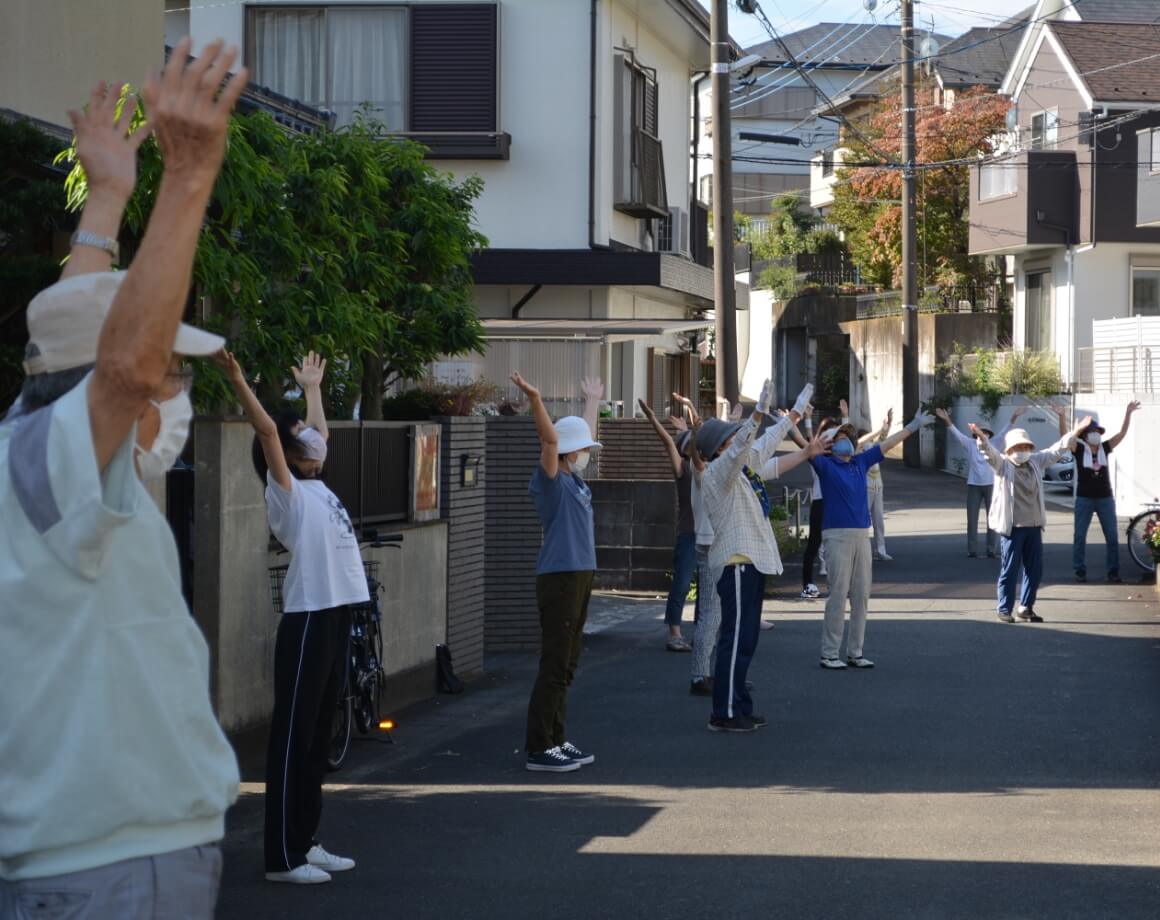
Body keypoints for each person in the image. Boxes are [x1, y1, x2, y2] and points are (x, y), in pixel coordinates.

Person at [0, 40, 245, 917]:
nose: (172, 387)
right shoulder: (63, 462)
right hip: (112, 866)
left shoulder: (27, 454)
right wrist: (187, 176)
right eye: (170, 373)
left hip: (74, 858)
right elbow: (116, 367)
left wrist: (105, 202)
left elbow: (71, 339)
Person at [217, 350, 364, 884]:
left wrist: (313, 390)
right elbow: (268, 433)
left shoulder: (318, 485)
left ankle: (307, 841)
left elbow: (319, 433)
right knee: (293, 739)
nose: (312, 437)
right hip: (306, 621)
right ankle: (282, 857)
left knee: (319, 740)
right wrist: (238, 378)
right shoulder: (286, 492)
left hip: (335, 614)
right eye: (300, 433)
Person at [701, 381, 819, 732]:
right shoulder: (716, 473)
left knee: (746, 639)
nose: (741, 440)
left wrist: (794, 414)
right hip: (736, 563)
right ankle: (723, 712)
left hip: (750, 563)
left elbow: (764, 446)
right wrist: (757, 414)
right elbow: (743, 448)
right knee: (735, 638)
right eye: (732, 437)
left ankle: (740, 706)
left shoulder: (742, 472)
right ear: (719, 446)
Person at [512, 372, 602, 772]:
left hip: (580, 575)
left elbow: (575, 436)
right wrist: (535, 399)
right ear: (570, 451)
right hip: (560, 577)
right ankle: (538, 746)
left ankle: (557, 738)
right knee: (554, 662)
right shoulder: (550, 482)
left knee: (568, 663)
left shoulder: (576, 480)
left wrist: (592, 403)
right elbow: (550, 440)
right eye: (582, 449)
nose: (587, 453)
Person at [811, 409, 933, 670]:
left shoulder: (860, 462)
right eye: (839, 437)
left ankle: (855, 652)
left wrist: (913, 425)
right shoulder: (824, 464)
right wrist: (798, 422)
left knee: (861, 595)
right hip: (836, 536)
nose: (844, 441)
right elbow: (806, 448)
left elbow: (888, 443)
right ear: (831, 444)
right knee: (837, 594)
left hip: (860, 536)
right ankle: (830, 653)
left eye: (847, 438)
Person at [972, 415, 1090, 623]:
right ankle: (1004, 608)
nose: (1022, 450)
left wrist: (1076, 431)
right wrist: (982, 440)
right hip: (1013, 528)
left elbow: (1057, 449)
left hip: (1034, 526)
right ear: (1008, 450)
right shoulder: (1003, 465)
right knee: (1009, 569)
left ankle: (1025, 607)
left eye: (1026, 447)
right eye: (1018, 447)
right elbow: (989, 454)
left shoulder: (1035, 461)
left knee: (1035, 570)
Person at [1057, 401, 1141, 583]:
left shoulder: (1105, 448)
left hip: (1105, 498)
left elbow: (1122, 434)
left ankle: (1113, 571)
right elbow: (1065, 439)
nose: (1094, 435)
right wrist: (1062, 417)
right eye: (1091, 432)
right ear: (1085, 436)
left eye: (1096, 432)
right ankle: (1079, 570)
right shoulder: (1079, 449)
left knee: (1112, 537)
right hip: (1084, 498)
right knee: (1079, 536)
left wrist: (1128, 414)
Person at [638, 398, 696, 651]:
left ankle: (703, 632)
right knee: (681, 584)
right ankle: (674, 632)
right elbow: (668, 442)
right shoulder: (683, 469)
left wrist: (688, 424)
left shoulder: (711, 467)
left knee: (708, 588)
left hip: (708, 536)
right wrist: (653, 419)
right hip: (688, 536)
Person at [935, 406, 1025, 558]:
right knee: (972, 519)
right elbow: (955, 432)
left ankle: (991, 549)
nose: (982, 435)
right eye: (980, 432)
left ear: (989, 434)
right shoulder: (970, 444)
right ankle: (972, 549)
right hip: (973, 485)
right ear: (975, 434)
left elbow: (1005, 430)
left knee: (993, 518)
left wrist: (1014, 417)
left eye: (985, 433)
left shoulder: (995, 443)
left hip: (991, 485)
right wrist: (946, 419)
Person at [787, 406, 837, 599]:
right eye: (828, 432)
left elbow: (856, 442)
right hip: (820, 503)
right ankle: (808, 584)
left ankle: (836, 584)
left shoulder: (840, 456)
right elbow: (805, 443)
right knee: (814, 545)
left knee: (835, 546)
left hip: (834, 503)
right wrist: (805, 420)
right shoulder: (818, 457)